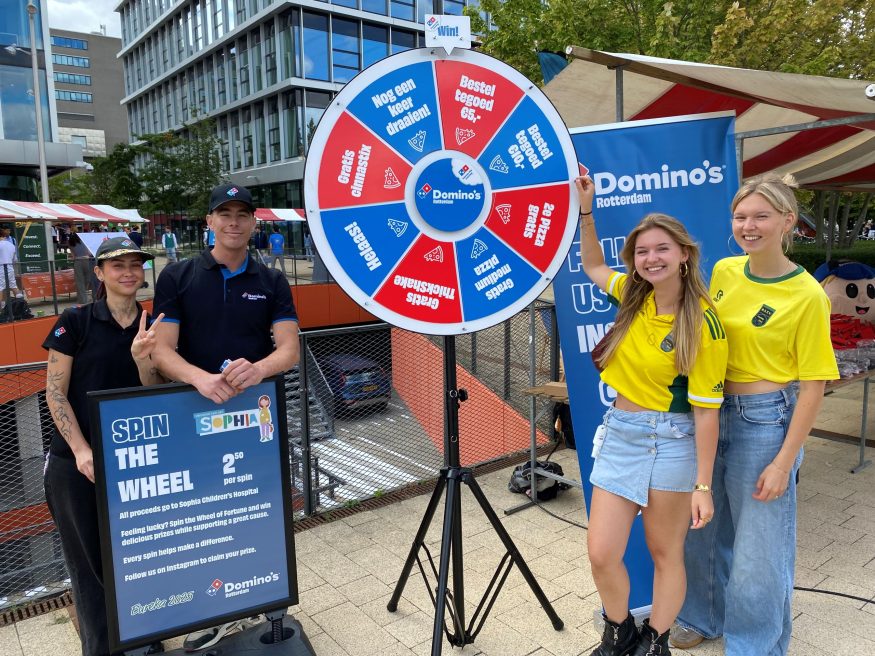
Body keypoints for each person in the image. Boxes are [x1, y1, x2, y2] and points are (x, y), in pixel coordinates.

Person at [673, 173, 839, 656]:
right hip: (710, 411)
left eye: (761, 216)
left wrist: (784, 462)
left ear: (788, 221)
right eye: (740, 216)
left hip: (765, 422)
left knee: (758, 545)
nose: (748, 226)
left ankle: (755, 644)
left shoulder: (807, 295)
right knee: (701, 527)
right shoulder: (725, 271)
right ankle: (701, 616)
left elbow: (814, 386)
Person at [576, 175, 727, 656]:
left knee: (665, 553)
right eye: (642, 251)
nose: (651, 258)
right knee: (601, 552)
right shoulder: (631, 295)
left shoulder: (702, 322)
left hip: (672, 441)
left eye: (662, 248)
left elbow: (706, 413)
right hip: (621, 433)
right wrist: (586, 211)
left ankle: (655, 642)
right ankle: (619, 631)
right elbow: (592, 264)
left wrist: (703, 485)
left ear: (684, 253)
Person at [151, 183, 300, 651]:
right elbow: (161, 351)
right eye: (225, 214)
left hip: (254, 421)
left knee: (257, 513)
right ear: (210, 221)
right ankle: (207, 614)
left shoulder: (271, 281)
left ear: (254, 222)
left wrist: (258, 369)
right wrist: (200, 378)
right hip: (194, 416)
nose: (234, 222)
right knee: (199, 519)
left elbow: (289, 350)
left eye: (242, 214)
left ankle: (260, 605)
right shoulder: (177, 276)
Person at [42, 237, 165, 656]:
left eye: (135, 264)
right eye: (117, 265)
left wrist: (142, 359)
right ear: (99, 273)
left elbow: (154, 392)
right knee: (90, 566)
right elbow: (54, 393)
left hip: (134, 462)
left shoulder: (152, 324)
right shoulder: (75, 321)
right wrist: (81, 450)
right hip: (77, 465)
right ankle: (101, 648)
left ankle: (146, 639)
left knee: (139, 557)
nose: (128, 272)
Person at [68, 230, 93, 305]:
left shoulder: (70, 242)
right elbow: (89, 253)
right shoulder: (84, 241)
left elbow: (73, 256)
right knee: (88, 279)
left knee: (79, 282)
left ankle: (82, 300)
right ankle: (87, 297)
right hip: (87, 261)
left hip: (77, 261)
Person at [0, 229, 19, 313]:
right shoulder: (11, 245)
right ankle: (20, 307)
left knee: (0, 288)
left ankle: (1, 311)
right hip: (10, 268)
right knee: (14, 287)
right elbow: (15, 260)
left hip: (1, 268)